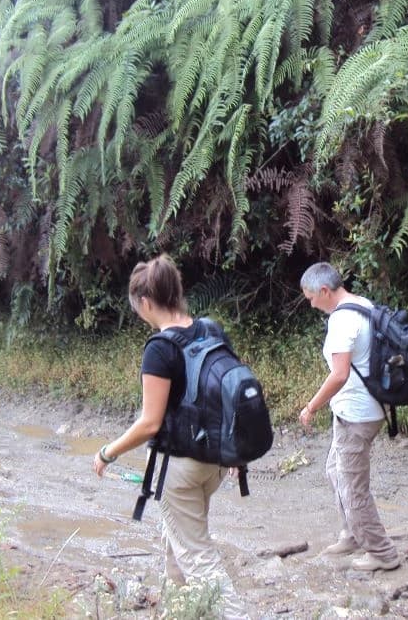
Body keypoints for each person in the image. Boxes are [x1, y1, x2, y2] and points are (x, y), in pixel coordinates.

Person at [93, 256, 247, 619]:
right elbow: (231, 392)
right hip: (214, 461)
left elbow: (150, 423)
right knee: (176, 542)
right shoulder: (212, 331)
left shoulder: (160, 349)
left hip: (178, 468)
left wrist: (107, 452)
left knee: (198, 557)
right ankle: (178, 612)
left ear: (145, 302)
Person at [298, 262, 400, 572]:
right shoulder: (363, 305)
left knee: (353, 485)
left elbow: (339, 374)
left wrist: (311, 406)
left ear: (325, 291)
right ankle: (352, 533)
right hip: (361, 408)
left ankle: (383, 553)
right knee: (335, 470)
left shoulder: (342, 322)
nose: (312, 305)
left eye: (311, 298)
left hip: (357, 414)